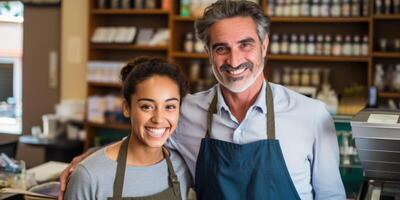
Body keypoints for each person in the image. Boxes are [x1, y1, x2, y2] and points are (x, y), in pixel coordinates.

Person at [60, 1, 346, 199]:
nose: (234, 60)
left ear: (264, 45)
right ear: (208, 53)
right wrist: (91, 160)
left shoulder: (311, 115)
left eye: (245, 45)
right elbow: (148, 134)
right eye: (221, 48)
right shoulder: (186, 112)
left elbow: (331, 196)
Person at [63, 57, 193, 199]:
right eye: (146, 106)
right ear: (126, 108)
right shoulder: (88, 176)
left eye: (169, 107)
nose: (158, 119)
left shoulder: (182, 167)